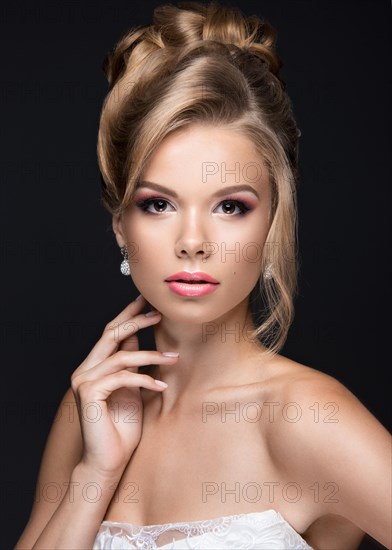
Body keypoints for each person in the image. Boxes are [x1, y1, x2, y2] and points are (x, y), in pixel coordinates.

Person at [15, 1, 391, 549]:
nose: (193, 242)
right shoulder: (91, 409)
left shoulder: (308, 417)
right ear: (120, 225)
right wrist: (94, 475)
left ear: (273, 221)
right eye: (158, 205)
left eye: (231, 207)